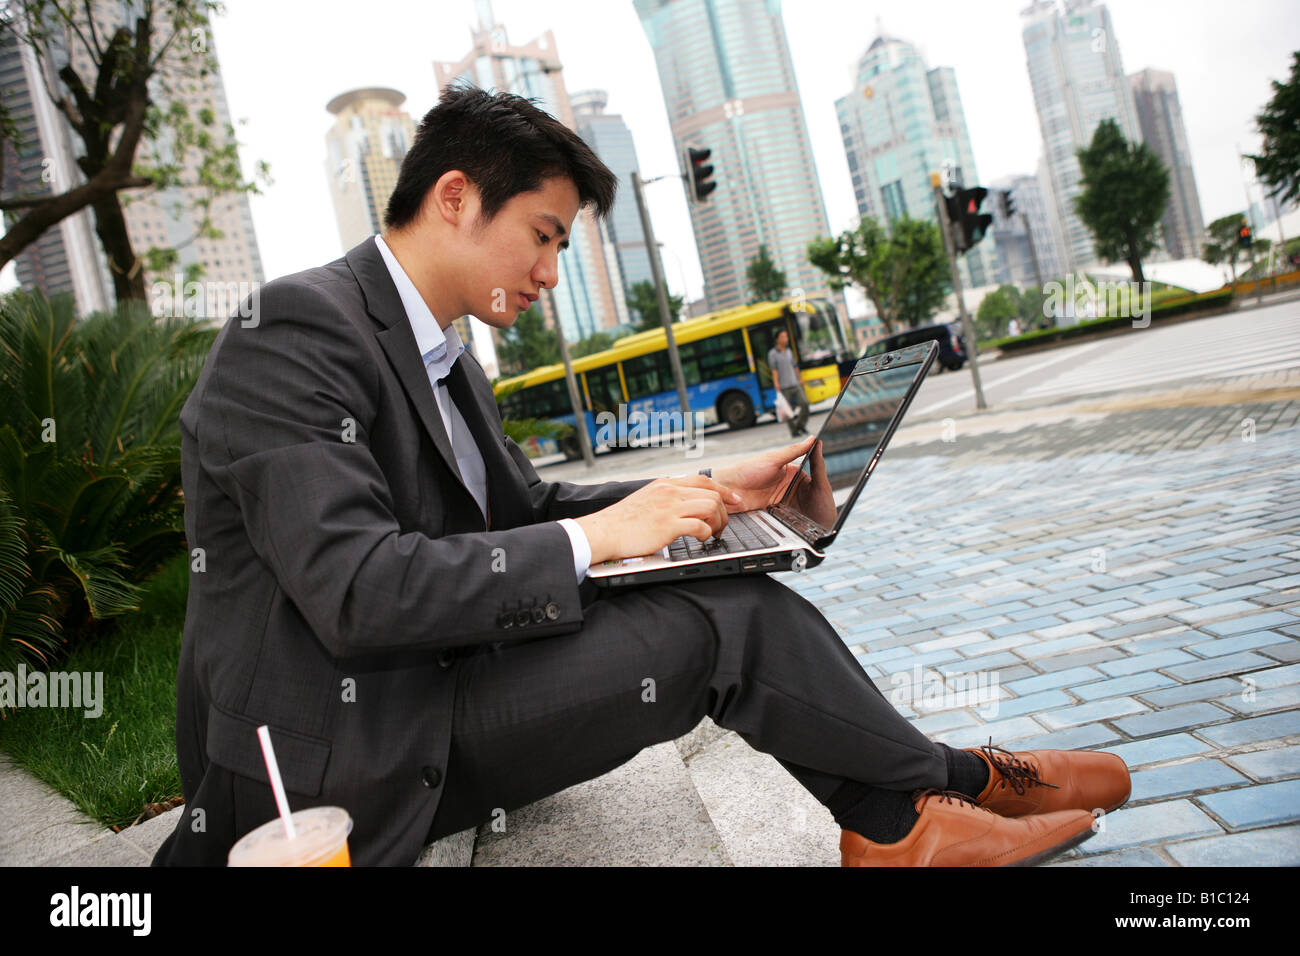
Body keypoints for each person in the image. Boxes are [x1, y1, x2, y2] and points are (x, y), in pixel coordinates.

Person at [152, 85, 1129, 868]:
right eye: (543, 235)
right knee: (717, 626)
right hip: (328, 754)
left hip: (431, 687)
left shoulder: (444, 353)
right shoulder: (293, 327)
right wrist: (596, 537)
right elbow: (358, 589)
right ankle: (934, 795)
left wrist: (706, 496)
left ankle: (909, 813)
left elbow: (523, 513)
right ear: (455, 197)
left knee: (725, 575)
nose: (549, 271)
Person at [767, 329, 810, 438]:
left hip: (794, 383)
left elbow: (795, 366)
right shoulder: (772, 354)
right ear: (777, 339)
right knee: (787, 411)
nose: (786, 339)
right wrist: (776, 383)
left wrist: (800, 379)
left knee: (805, 403)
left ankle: (800, 425)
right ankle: (794, 431)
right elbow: (774, 370)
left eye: (786, 336)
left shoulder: (789, 351)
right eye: (783, 337)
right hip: (784, 386)